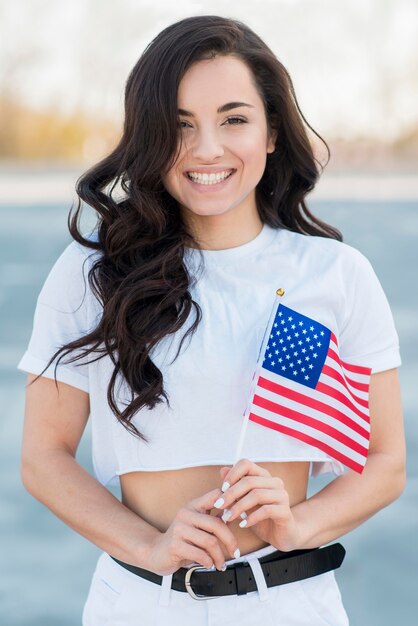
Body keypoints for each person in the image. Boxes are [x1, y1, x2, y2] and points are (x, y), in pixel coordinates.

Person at [18, 14, 406, 626]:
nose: (207, 149)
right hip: (142, 605)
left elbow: (386, 462)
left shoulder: (336, 273)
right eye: (180, 127)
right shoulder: (92, 271)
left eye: (234, 119)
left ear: (272, 131)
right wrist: (148, 545)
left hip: (295, 605)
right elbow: (44, 457)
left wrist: (299, 522)